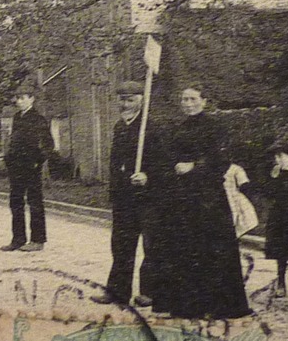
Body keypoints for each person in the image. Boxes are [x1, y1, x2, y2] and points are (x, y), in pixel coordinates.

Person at [151, 85, 251, 320]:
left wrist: (194, 166)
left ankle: (219, 306)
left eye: (193, 99)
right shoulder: (177, 128)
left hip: (208, 197)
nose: (187, 103)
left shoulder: (216, 127)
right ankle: (188, 305)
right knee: (186, 249)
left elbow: (222, 159)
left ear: (204, 101)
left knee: (212, 249)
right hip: (182, 197)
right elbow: (167, 157)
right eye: (184, 99)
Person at [94, 80, 155, 306]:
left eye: (131, 100)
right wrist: (114, 192)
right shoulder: (119, 127)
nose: (126, 104)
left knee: (151, 246)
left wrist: (148, 176)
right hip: (124, 198)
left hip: (148, 197)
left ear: (142, 99)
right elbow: (114, 163)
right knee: (120, 245)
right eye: (122, 100)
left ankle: (149, 291)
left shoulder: (152, 126)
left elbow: (164, 162)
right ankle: (118, 291)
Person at [3, 85, 54, 253]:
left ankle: (38, 240)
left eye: (23, 97)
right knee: (15, 202)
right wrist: (9, 159)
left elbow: (48, 144)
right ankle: (18, 239)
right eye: (17, 98)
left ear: (32, 99)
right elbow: (14, 141)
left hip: (31, 167)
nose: (20, 101)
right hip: (16, 167)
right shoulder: (17, 117)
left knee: (34, 202)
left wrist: (38, 161)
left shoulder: (38, 119)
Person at [253, 144, 288, 298]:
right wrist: (273, 179)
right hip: (279, 214)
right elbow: (268, 194)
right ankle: (281, 283)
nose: (278, 159)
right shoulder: (275, 173)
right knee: (281, 251)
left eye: (281, 156)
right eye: (276, 157)